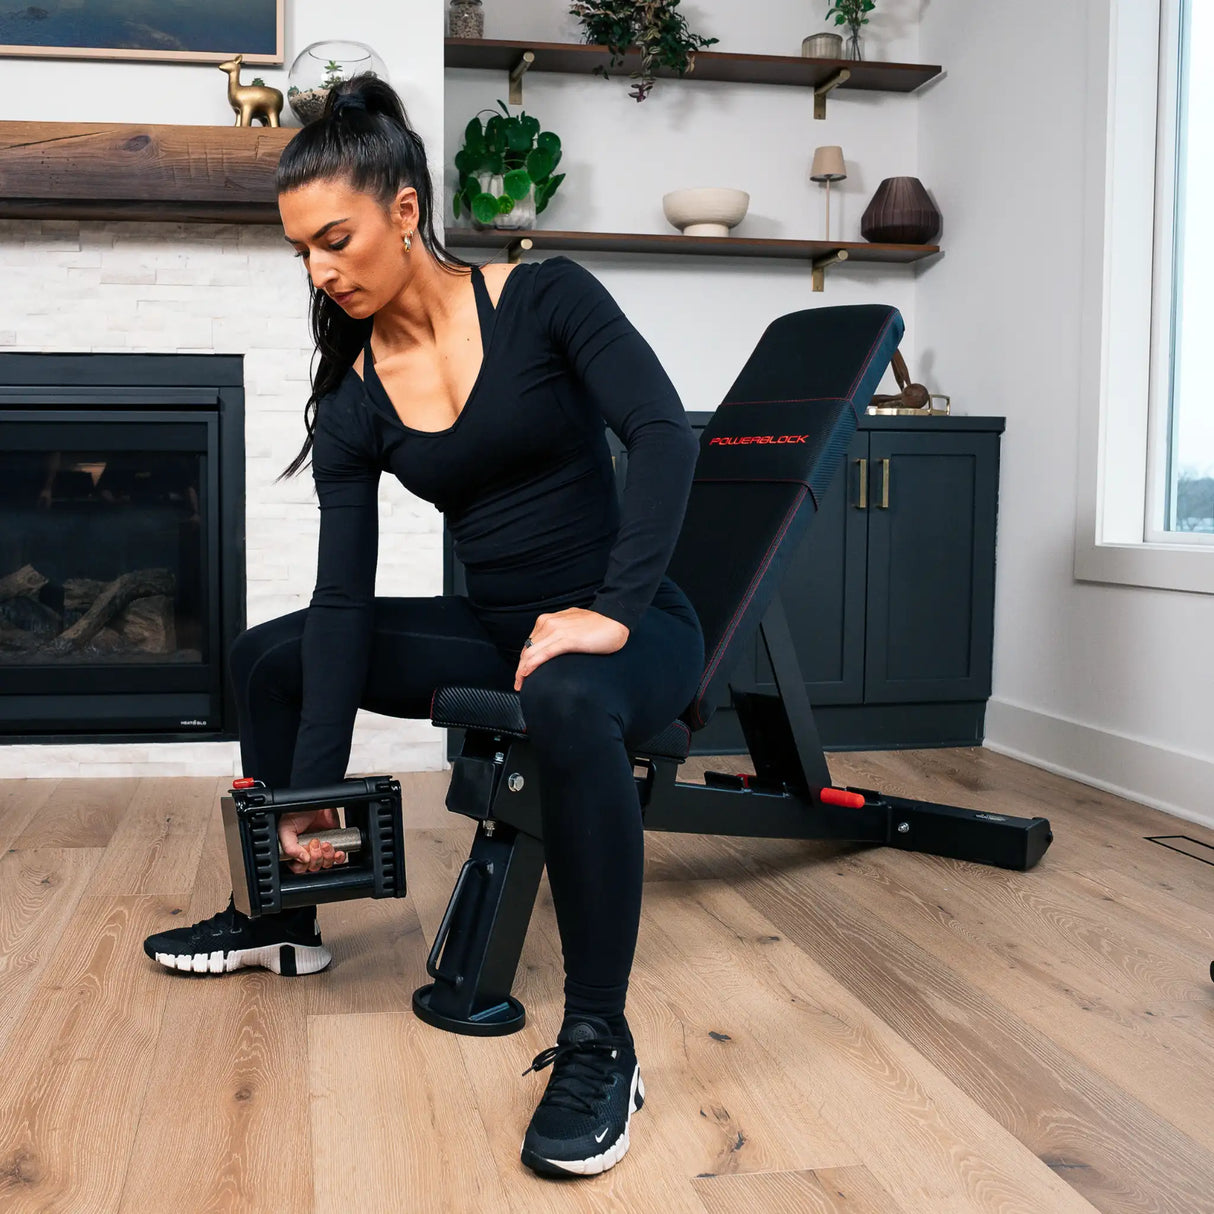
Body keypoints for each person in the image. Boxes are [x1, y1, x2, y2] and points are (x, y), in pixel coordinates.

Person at [141, 75, 704, 1178]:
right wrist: (304, 820)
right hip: (499, 626)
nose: (320, 270)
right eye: (302, 250)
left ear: (405, 210)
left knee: (565, 694)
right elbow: (344, 604)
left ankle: (599, 1037)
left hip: (628, 627)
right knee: (273, 653)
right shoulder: (354, 399)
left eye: (336, 238)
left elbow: (664, 432)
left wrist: (609, 610)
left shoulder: (545, 299)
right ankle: (280, 918)